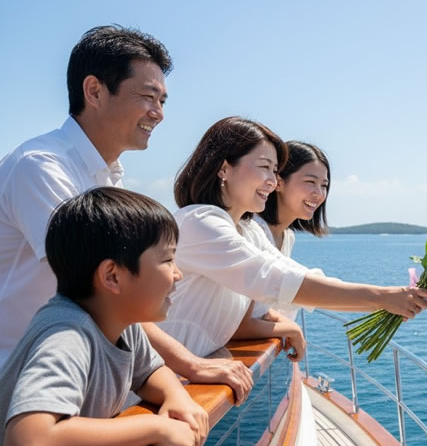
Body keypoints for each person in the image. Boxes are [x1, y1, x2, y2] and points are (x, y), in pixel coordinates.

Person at [0, 25, 253, 401]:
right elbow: (100, 287)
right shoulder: (41, 167)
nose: (159, 114)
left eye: (163, 101)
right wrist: (188, 363)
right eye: (149, 97)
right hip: (29, 388)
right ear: (95, 91)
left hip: (84, 383)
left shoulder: (104, 177)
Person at [159, 117, 427, 360]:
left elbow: (297, 276)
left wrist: (392, 297)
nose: (272, 180)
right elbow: (276, 281)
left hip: (193, 380)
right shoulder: (200, 222)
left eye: (274, 170)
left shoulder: (246, 231)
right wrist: (383, 298)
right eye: (265, 167)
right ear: (224, 168)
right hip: (151, 393)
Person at [0, 188, 206, 446]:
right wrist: (153, 427)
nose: (178, 275)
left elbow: (150, 371)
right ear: (112, 276)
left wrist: (176, 396)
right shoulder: (68, 335)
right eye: (168, 259)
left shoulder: (122, 322)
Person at [251, 141, 331, 322]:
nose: (319, 193)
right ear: (278, 183)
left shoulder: (287, 236)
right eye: (310, 182)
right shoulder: (253, 230)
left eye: (324, 185)